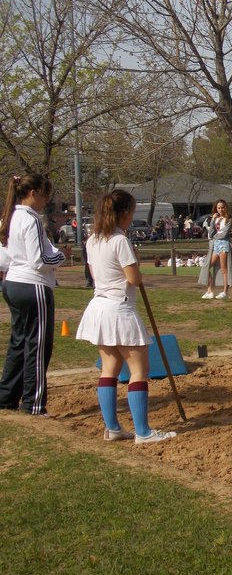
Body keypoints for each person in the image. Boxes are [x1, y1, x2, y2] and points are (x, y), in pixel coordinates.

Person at [75, 191, 176, 444]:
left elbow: (95, 273)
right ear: (124, 213)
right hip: (119, 309)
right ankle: (143, 432)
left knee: (109, 369)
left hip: (98, 306)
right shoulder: (120, 240)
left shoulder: (93, 240)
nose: (132, 217)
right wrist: (137, 265)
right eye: (131, 212)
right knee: (139, 370)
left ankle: (112, 427)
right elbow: (133, 279)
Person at [0, 174, 66, 415]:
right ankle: (33, 404)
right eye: (45, 194)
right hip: (33, 285)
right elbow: (39, 260)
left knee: (18, 342)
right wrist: (61, 255)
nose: (47, 200)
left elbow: (3, 259)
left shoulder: (8, 217)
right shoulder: (31, 219)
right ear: (33, 192)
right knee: (38, 346)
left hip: (13, 283)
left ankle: (6, 396)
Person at [199, 199, 232, 299]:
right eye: (218, 208)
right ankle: (209, 290)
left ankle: (225, 291)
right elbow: (211, 233)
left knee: (224, 269)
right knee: (206, 267)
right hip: (215, 245)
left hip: (224, 244)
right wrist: (213, 220)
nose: (220, 210)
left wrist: (215, 236)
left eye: (222, 207)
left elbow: (225, 234)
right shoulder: (216, 218)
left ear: (225, 208)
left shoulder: (229, 219)